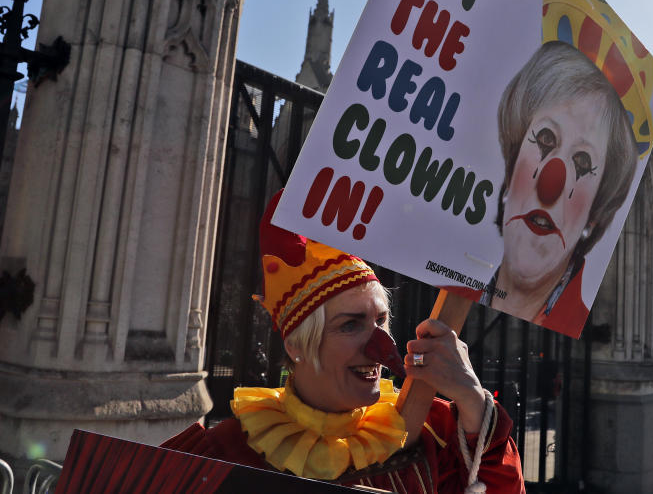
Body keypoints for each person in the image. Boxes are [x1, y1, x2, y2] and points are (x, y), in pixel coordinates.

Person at [162, 192, 525, 493]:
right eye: (351, 325)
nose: (381, 345)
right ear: (296, 345)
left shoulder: (438, 428)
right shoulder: (224, 454)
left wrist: (474, 401)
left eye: (381, 320)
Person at [458, 41, 637, 336]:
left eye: (582, 161)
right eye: (545, 138)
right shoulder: (452, 291)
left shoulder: (582, 331)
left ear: (595, 214)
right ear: (511, 167)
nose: (550, 184)